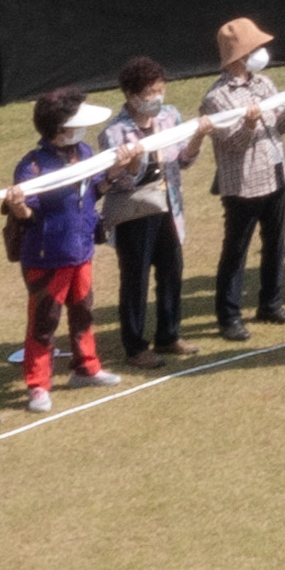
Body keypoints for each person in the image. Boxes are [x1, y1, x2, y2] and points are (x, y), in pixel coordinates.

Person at [11, 91, 116, 408]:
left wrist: (115, 172)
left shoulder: (84, 151)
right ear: (59, 127)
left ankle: (86, 367)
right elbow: (28, 216)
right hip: (47, 258)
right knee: (44, 322)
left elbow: (95, 189)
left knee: (83, 312)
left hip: (81, 251)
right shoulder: (31, 166)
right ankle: (38, 385)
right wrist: (17, 206)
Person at [197, 18, 285, 337]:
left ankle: (271, 302)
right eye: (256, 48)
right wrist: (250, 125)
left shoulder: (264, 84)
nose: (262, 52)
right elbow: (230, 144)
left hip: (277, 173)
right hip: (243, 184)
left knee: (275, 244)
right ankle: (229, 317)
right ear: (240, 55)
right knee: (236, 250)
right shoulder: (217, 97)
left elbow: (279, 127)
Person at [95, 57, 197, 362]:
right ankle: (135, 346)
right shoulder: (114, 133)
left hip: (168, 206)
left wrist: (199, 137)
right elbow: (120, 183)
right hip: (134, 213)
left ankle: (169, 335)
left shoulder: (171, 117)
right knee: (135, 278)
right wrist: (135, 163)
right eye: (149, 92)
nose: (156, 98)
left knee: (171, 271)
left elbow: (182, 161)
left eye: (159, 90)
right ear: (131, 95)